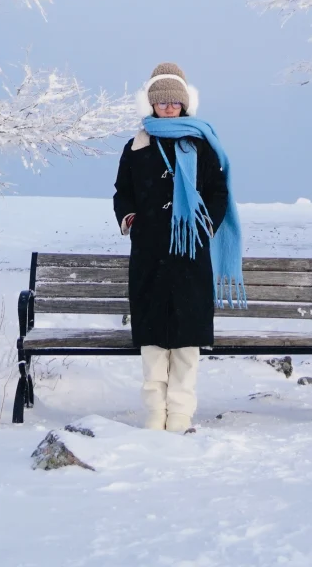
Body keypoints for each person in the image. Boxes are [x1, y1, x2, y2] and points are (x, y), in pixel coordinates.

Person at [112, 61, 245, 432]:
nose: (168, 108)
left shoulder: (200, 145)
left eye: (174, 102)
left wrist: (204, 224)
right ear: (151, 105)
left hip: (190, 255)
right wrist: (131, 219)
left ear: (185, 104)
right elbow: (123, 192)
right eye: (162, 102)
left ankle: (181, 413)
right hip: (149, 255)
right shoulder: (137, 146)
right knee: (153, 340)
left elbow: (219, 193)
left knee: (186, 341)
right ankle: (155, 413)